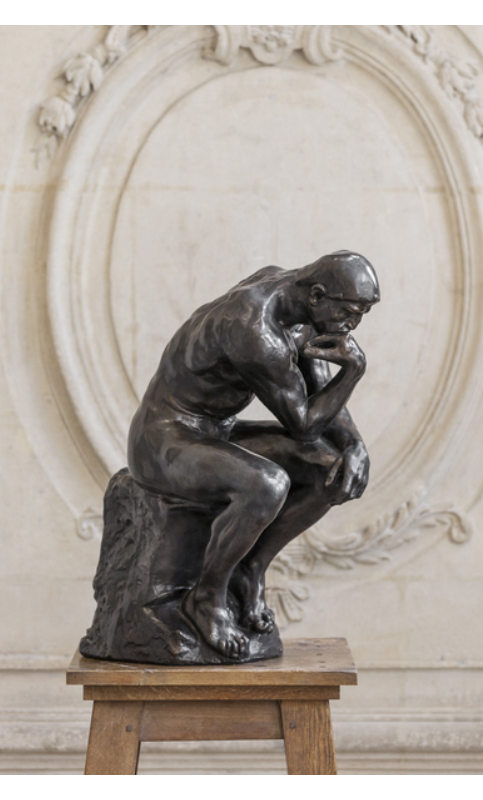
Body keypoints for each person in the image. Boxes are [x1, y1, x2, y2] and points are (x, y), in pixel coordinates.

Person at [127, 250, 380, 659]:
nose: (354, 325)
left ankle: (250, 567)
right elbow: (303, 423)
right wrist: (353, 372)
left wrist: (354, 444)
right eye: (350, 312)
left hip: (216, 432)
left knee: (332, 468)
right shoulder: (254, 327)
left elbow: (315, 387)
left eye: (362, 314)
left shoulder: (297, 306)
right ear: (317, 295)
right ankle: (206, 599)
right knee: (268, 484)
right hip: (165, 440)